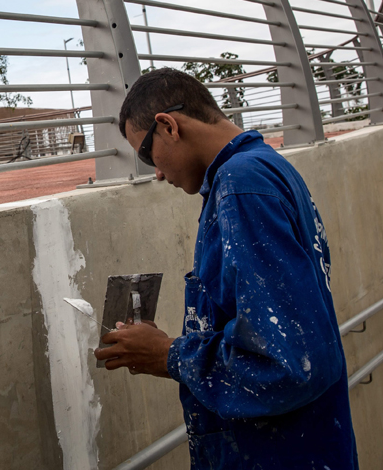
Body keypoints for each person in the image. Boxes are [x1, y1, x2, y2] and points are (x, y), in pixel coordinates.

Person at [93, 68, 358, 469]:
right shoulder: (265, 168)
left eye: (147, 155)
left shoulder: (241, 184)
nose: (157, 173)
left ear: (168, 126)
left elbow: (288, 364)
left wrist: (168, 354)